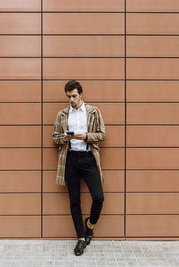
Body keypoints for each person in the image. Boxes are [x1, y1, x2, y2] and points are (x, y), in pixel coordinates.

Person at [52, 80, 106, 256]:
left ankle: (90, 224)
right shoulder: (62, 115)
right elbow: (55, 138)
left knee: (98, 197)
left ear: (81, 94)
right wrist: (64, 139)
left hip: (89, 158)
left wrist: (87, 136)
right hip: (71, 159)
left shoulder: (93, 111)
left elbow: (102, 134)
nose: (71, 100)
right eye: (68, 97)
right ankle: (81, 238)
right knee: (74, 201)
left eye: (74, 96)